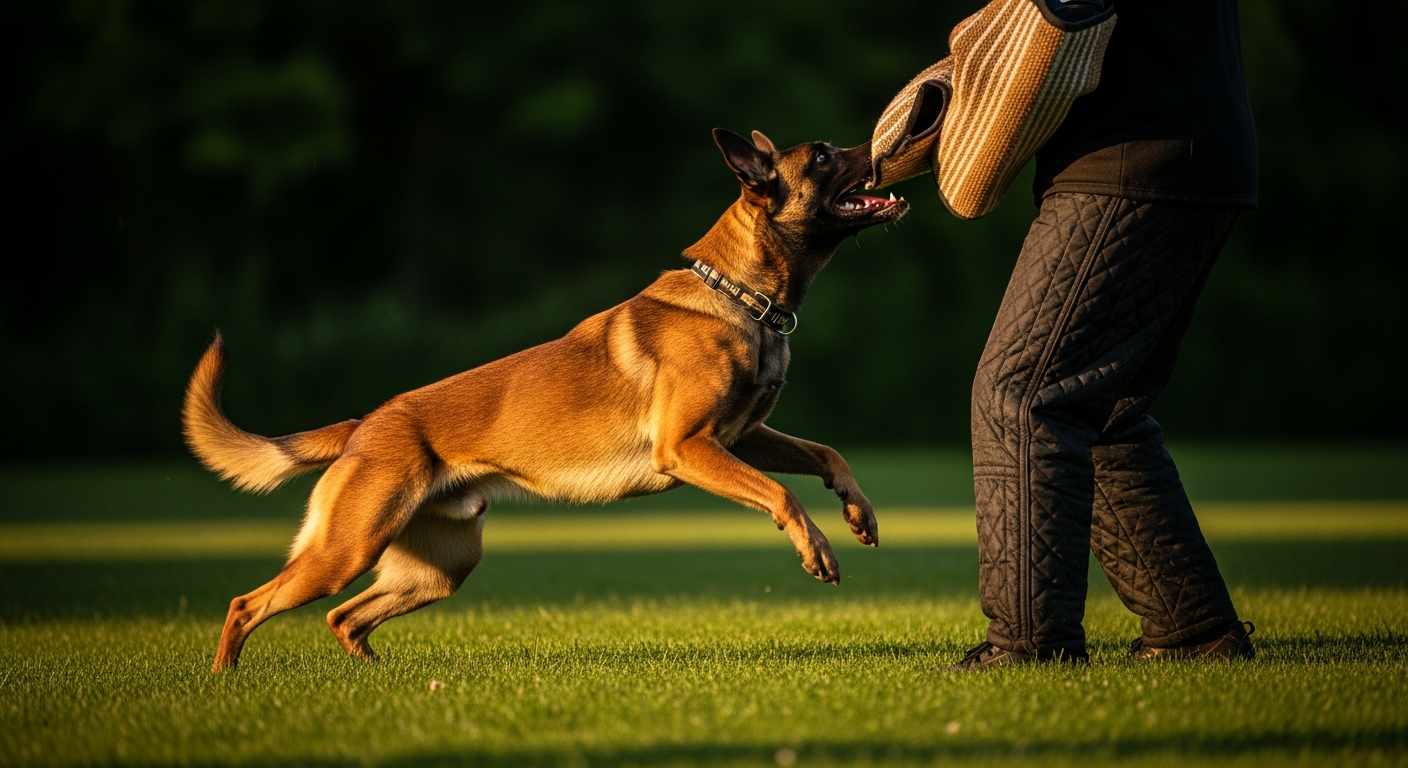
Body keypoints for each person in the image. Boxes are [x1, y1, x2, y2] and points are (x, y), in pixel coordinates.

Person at [948, 0, 1260, 669]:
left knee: (1019, 396)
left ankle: (1029, 647)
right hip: (1199, 150)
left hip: (1131, 155)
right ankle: (1193, 631)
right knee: (1102, 408)